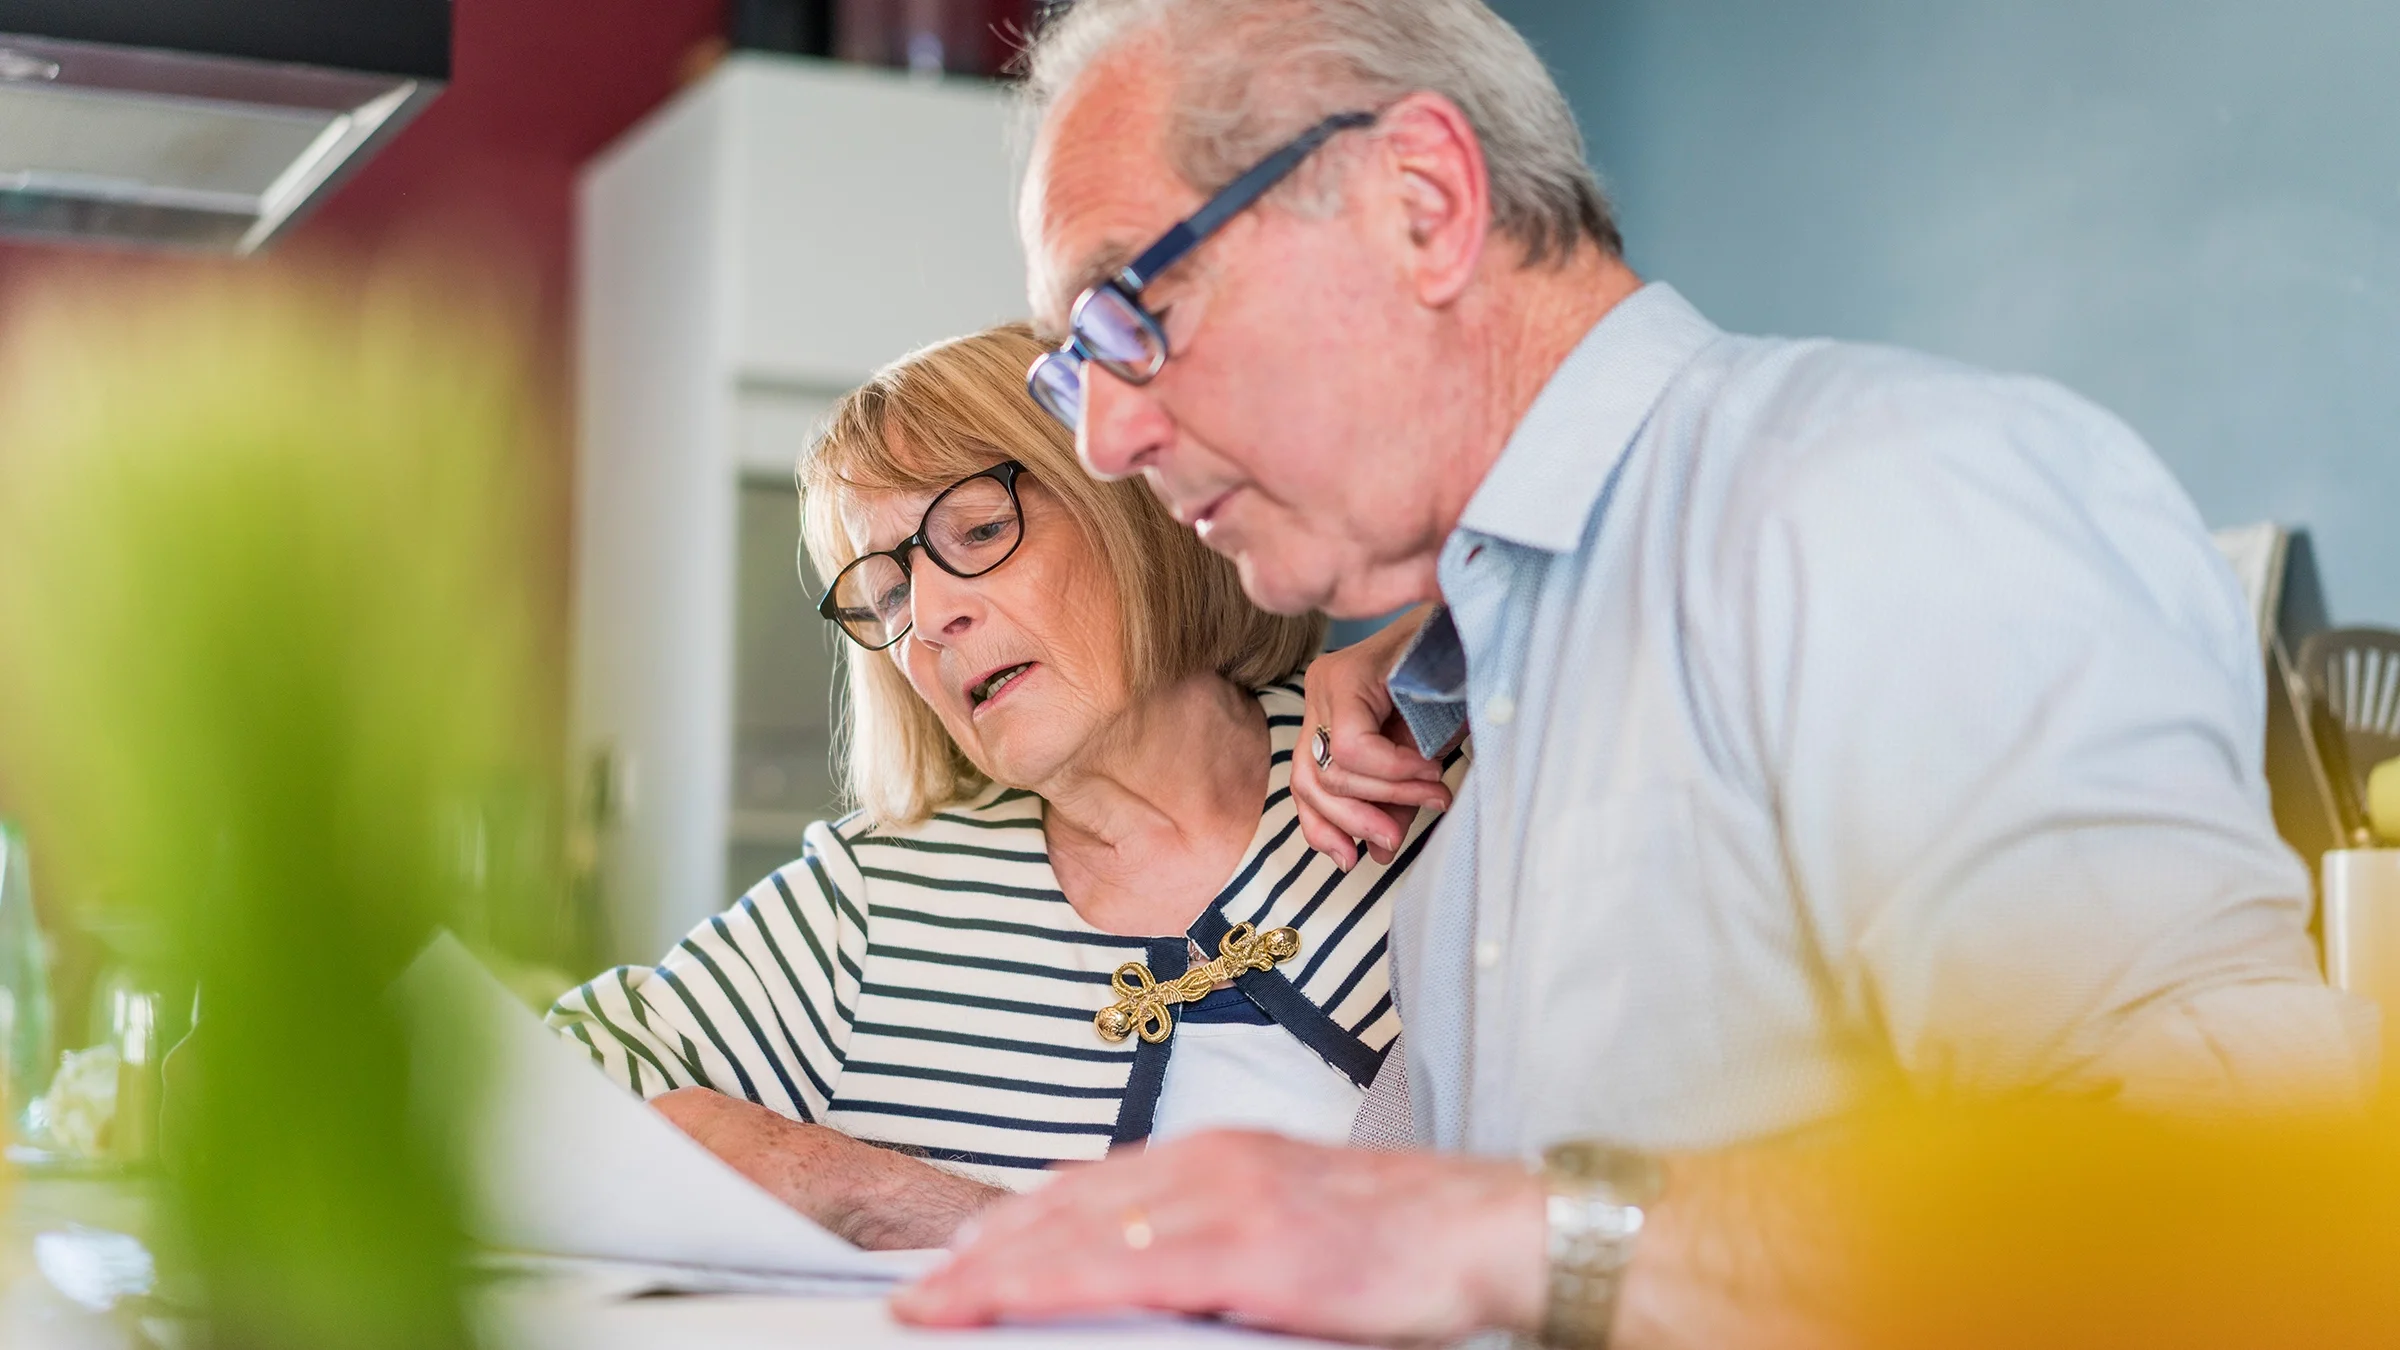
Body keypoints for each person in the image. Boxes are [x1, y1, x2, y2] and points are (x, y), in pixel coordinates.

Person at [891, 0, 2374, 1343]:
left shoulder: (1887, 495)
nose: (1105, 442)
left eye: (1128, 313)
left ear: (1423, 203)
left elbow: (2260, 1227)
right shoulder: (1488, 668)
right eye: (1074, 371)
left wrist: (1509, 1234)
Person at [548, 325, 1464, 1250]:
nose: (934, 620)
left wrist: (1456, 649)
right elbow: (524, 1100)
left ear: (1136, 507)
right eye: (890, 594)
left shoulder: (1411, 767)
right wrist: (838, 1179)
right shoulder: (874, 901)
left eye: (981, 531)